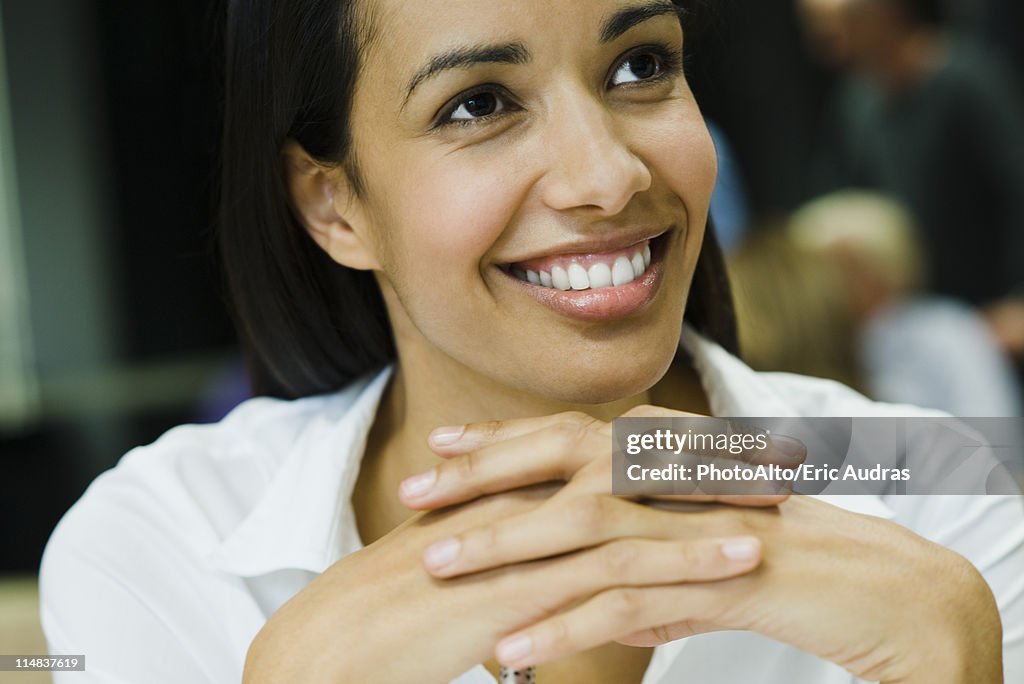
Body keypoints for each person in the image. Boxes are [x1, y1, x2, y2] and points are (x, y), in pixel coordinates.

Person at [38, 2, 1023, 683]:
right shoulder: (166, 543)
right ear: (335, 207)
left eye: (640, 65)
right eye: (477, 104)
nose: (605, 175)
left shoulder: (939, 489)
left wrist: (951, 656)